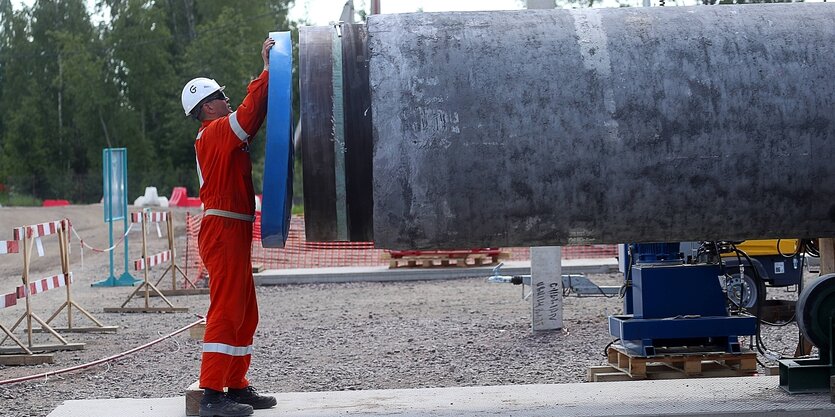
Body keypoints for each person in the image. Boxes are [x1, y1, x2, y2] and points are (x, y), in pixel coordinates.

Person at [180, 37, 277, 417]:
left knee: (245, 311)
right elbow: (250, 114)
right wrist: (267, 71)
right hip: (222, 232)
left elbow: (251, 121)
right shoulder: (216, 132)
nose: (227, 98)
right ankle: (212, 395)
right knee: (225, 310)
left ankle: (236, 385)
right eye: (221, 95)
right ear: (207, 106)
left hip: (232, 230)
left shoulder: (220, 134)